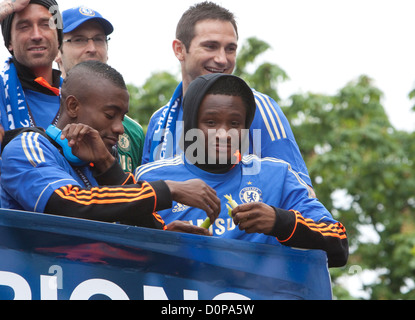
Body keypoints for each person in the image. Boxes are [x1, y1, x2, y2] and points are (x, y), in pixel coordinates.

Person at [136, 73, 348, 267]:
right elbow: (122, 255)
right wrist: (164, 239)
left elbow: (339, 244)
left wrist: (280, 221)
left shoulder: (277, 175)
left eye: (235, 123)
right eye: (211, 122)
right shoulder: (152, 178)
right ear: (191, 125)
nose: (224, 134)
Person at [1, 61, 220, 236]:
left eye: (122, 117)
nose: (119, 128)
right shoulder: (28, 146)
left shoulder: (97, 161)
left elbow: (148, 222)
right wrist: (169, 189)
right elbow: (68, 204)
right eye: (109, 115)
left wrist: (107, 166)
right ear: (73, 106)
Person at [142, 1, 314, 193]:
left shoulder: (259, 107)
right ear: (179, 50)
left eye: (230, 49)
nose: (222, 59)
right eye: (210, 46)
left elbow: (301, 193)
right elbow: (147, 196)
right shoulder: (160, 120)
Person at [55, 5, 144, 173]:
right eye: (79, 39)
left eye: (98, 39)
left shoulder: (133, 130)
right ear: (56, 51)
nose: (92, 48)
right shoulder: (41, 115)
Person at [0, 0, 63, 131]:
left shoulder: (78, 97)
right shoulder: (2, 91)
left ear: (58, 37)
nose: (36, 35)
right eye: (24, 27)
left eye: (46, 25)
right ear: (9, 41)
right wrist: (6, 8)